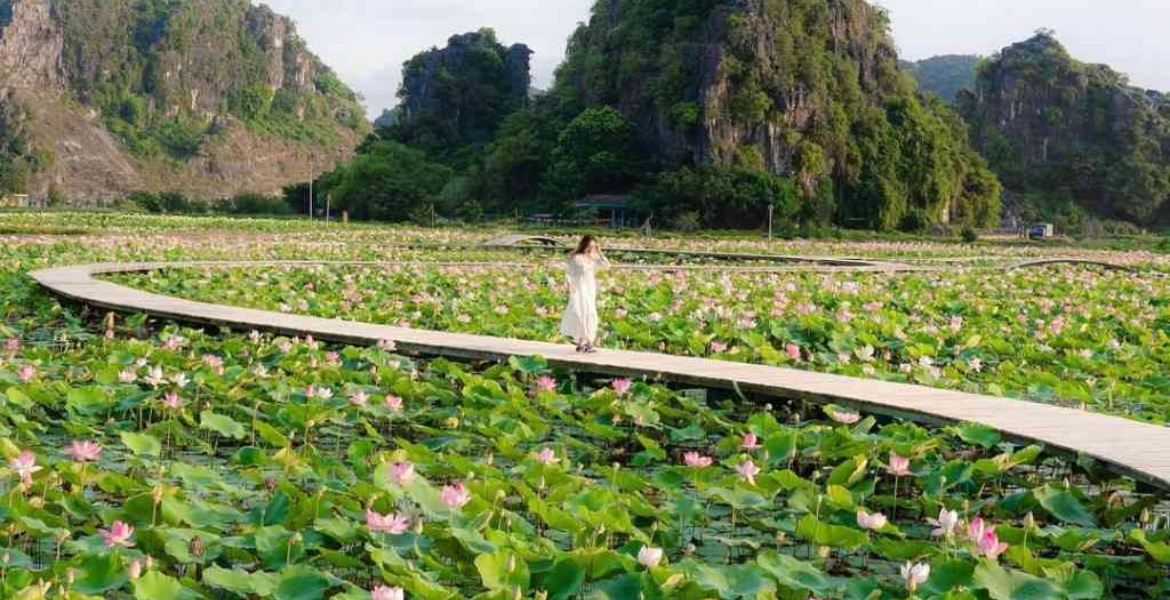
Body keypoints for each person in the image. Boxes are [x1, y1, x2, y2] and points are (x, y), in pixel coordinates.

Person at [560, 235, 610, 353]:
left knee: (588, 313)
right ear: (584, 245)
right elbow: (573, 272)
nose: (591, 248)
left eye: (593, 246)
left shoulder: (593, 257)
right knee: (581, 313)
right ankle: (589, 342)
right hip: (579, 288)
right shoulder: (577, 257)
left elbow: (607, 266)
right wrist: (569, 285)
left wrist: (600, 253)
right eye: (589, 246)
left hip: (590, 288)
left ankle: (581, 343)